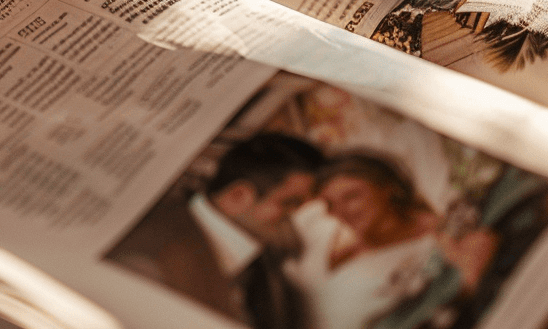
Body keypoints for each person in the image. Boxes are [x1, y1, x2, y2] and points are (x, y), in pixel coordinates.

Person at [110, 132, 325, 329]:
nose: (302, 218)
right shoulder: (152, 256)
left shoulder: (271, 272)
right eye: (291, 204)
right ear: (237, 196)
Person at [290, 152, 442, 329]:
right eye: (330, 203)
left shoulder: (429, 250)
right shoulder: (317, 221)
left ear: (388, 187)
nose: (340, 211)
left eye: (352, 196)